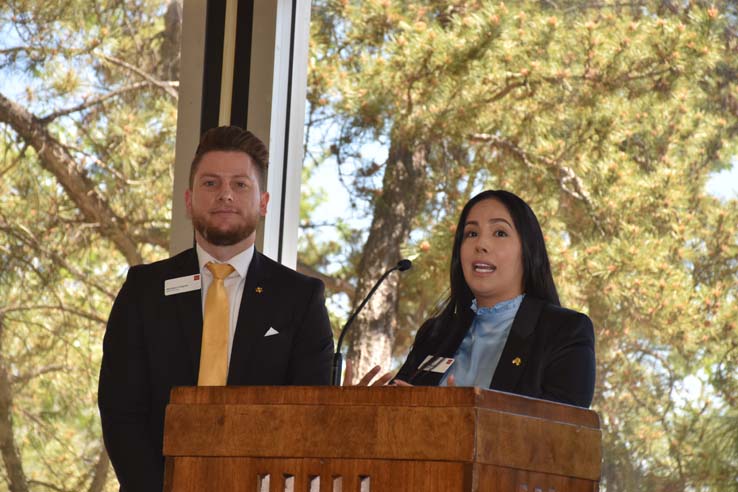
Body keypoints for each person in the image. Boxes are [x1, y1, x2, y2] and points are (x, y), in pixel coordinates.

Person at [98, 126, 334, 492]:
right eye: (211, 183)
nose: (225, 194)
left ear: (264, 203)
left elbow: (308, 418)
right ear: (189, 200)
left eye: (240, 184)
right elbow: (120, 411)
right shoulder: (143, 291)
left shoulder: (302, 299)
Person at [352, 190, 595, 408]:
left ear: (528, 251)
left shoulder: (565, 331)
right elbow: (398, 418)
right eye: (471, 233)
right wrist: (365, 407)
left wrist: (457, 420)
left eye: (500, 232)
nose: (481, 244)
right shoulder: (435, 335)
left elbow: (560, 438)